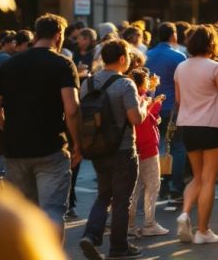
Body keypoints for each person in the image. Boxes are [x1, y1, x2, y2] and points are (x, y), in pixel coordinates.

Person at [0, 14, 80, 239]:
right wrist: (78, 142)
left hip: (15, 148)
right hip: (51, 147)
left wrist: (6, 128)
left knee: (22, 213)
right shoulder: (63, 64)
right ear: (58, 37)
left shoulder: (10, 65)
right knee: (52, 210)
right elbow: (72, 108)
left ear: (36, 34)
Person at [77, 39, 147, 260]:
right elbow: (135, 118)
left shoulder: (87, 84)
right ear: (123, 59)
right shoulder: (126, 84)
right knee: (121, 199)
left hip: (97, 148)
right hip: (123, 148)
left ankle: (91, 235)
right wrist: (145, 106)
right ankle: (118, 247)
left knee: (103, 195)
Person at [0, 123, 68, 260]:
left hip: (17, 152)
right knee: (49, 210)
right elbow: (72, 110)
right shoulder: (2, 220)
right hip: (49, 148)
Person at [174, 25, 218, 245]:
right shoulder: (216, 68)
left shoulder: (181, 67)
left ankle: (185, 213)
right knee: (209, 180)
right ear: (211, 44)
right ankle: (202, 231)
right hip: (213, 126)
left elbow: (178, 99)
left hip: (188, 126)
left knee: (197, 177)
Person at [145, 22, 187, 202]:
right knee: (177, 147)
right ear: (173, 36)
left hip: (151, 107)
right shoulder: (178, 57)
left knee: (157, 146)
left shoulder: (147, 55)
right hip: (173, 106)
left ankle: (160, 185)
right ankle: (177, 188)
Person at [126, 68, 168, 238]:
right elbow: (147, 117)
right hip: (148, 147)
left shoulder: (129, 99)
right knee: (152, 185)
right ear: (142, 83)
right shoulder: (143, 99)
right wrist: (156, 101)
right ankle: (149, 224)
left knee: (134, 190)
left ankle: (129, 225)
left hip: (133, 147)